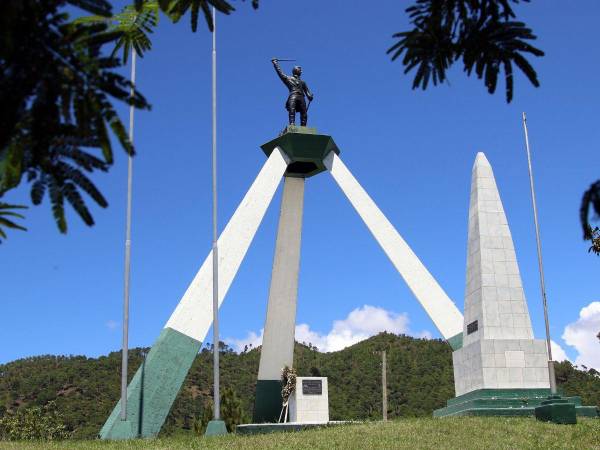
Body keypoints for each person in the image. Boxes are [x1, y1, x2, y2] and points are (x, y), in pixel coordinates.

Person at [272, 58, 314, 126]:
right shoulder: (289, 79)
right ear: (296, 70)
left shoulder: (303, 82)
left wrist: (310, 97)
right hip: (293, 95)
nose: (301, 71)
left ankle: (303, 126)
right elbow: (280, 73)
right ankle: (292, 124)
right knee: (292, 110)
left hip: (301, 97)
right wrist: (275, 64)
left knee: (304, 113)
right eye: (300, 70)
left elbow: (308, 93)